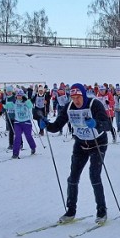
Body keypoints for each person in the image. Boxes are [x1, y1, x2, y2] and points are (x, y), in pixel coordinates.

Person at [41, 83, 111, 224]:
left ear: (83, 95)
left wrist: (96, 123)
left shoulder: (94, 104)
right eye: (73, 97)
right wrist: (46, 125)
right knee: (73, 178)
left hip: (98, 143)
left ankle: (101, 211)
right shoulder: (69, 107)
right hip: (80, 144)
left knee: (94, 175)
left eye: (78, 97)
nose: (76, 100)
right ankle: (70, 211)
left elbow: (107, 124)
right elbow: (56, 126)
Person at [11, 89, 37, 158]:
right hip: (17, 122)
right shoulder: (15, 102)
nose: (19, 97)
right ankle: (15, 153)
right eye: (18, 95)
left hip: (26, 122)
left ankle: (33, 147)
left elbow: (31, 106)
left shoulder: (26, 101)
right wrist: (4, 103)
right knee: (17, 137)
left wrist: (27, 100)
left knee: (28, 136)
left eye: (20, 95)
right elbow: (7, 106)